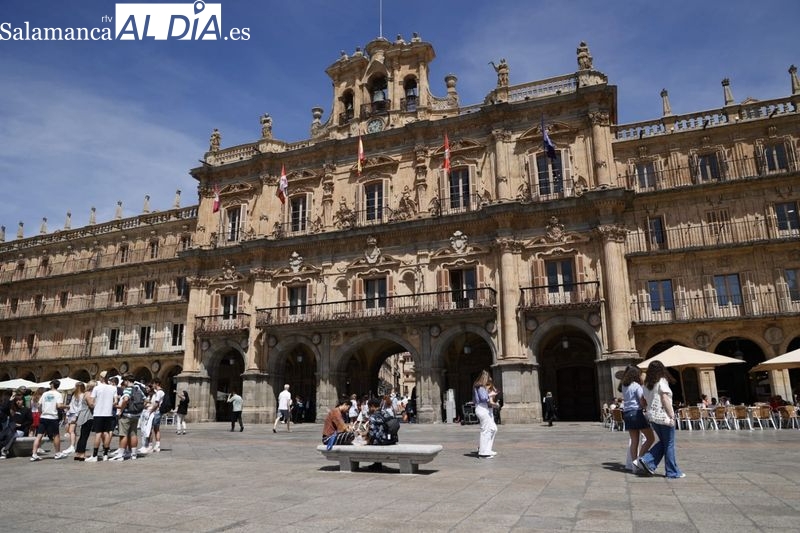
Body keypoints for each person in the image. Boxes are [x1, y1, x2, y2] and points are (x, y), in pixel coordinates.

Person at [633, 361, 685, 479]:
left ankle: (650, 463)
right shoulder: (661, 381)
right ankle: (670, 471)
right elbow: (664, 398)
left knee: (664, 442)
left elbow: (643, 400)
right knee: (669, 444)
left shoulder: (646, 384)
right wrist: (672, 415)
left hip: (653, 417)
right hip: (664, 416)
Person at [620, 365, 655, 472]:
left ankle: (634, 466)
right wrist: (647, 405)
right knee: (650, 438)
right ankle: (640, 460)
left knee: (634, 441)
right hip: (636, 413)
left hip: (627, 414)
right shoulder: (636, 386)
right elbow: (641, 401)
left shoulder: (624, 386)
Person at [86, 371, 118, 462]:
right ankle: (105, 455)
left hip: (98, 413)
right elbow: (115, 402)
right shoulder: (113, 388)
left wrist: (97, 405)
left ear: (101, 378)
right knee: (106, 433)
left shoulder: (96, 388)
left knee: (98, 434)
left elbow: (91, 403)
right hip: (108, 413)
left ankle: (95, 456)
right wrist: (109, 405)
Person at [30, 380, 65, 461]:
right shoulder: (58, 394)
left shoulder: (45, 394)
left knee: (39, 435)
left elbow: (39, 405)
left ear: (52, 385)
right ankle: (57, 453)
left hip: (43, 417)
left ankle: (34, 454)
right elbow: (59, 406)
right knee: (56, 435)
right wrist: (66, 406)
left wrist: (41, 412)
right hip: (53, 417)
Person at [111, 375, 142, 461]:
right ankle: (134, 454)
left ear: (127, 381)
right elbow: (145, 400)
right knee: (133, 434)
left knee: (123, 434)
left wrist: (121, 408)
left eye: (124, 380)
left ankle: (121, 454)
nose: (124, 382)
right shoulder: (138, 389)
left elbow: (125, 399)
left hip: (127, 414)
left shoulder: (128, 389)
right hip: (136, 415)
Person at [473, 370, 498, 458]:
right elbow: (483, 398)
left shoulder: (482, 387)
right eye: (488, 379)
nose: (489, 382)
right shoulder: (480, 387)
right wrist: (489, 394)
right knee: (486, 430)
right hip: (482, 409)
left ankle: (487, 449)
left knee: (493, 428)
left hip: (485, 409)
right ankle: (483, 452)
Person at [73, 381, 94, 462]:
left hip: (84, 415)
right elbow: (91, 405)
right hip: (87, 416)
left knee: (82, 435)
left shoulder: (86, 393)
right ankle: (82, 454)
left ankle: (78, 454)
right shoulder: (89, 394)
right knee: (84, 436)